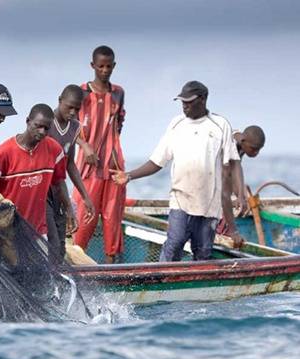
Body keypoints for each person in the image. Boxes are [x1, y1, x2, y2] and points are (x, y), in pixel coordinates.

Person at [110, 81, 245, 262]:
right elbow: (157, 161)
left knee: (203, 252)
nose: (185, 106)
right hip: (181, 199)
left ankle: (197, 287)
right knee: (174, 243)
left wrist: (241, 193)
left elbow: (234, 162)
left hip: (209, 204)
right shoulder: (176, 124)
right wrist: (129, 176)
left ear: (203, 99)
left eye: (189, 102)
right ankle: (161, 282)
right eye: (182, 102)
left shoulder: (220, 125)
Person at [72, 45, 127, 264]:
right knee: (85, 214)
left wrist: (110, 146)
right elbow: (67, 125)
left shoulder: (118, 92)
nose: (105, 70)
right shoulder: (82, 92)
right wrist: (85, 146)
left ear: (114, 66)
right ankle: (76, 262)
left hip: (114, 165)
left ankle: (111, 266)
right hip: (88, 166)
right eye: (100, 66)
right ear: (93, 66)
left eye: (109, 66)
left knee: (113, 217)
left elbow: (119, 123)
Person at [0, 104, 67, 239]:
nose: (42, 132)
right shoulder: (4, 152)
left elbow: (59, 181)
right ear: (28, 121)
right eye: (38, 126)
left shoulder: (54, 150)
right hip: (8, 232)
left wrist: (69, 209)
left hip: (38, 232)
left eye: (46, 128)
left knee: (42, 259)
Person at [46, 84, 95, 261]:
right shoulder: (46, 122)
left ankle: (58, 284)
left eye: (77, 108)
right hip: (44, 190)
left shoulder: (74, 127)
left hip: (59, 189)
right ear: (60, 101)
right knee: (50, 240)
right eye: (69, 107)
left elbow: (70, 164)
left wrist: (85, 196)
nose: (73, 112)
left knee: (60, 244)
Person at [219, 125, 266, 246]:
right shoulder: (229, 143)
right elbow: (226, 175)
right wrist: (239, 197)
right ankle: (223, 230)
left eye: (259, 150)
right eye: (254, 149)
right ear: (244, 141)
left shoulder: (241, 144)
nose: (256, 153)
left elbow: (236, 170)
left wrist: (242, 196)